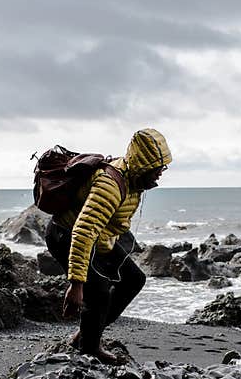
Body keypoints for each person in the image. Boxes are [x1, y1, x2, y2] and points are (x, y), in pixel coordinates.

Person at [45, 128, 172, 363]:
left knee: (134, 279)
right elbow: (83, 232)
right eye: (158, 168)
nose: (161, 173)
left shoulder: (133, 178)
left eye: (163, 167)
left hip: (99, 239)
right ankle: (89, 350)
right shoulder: (109, 186)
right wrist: (76, 285)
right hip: (66, 235)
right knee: (98, 291)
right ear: (143, 165)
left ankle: (85, 334)